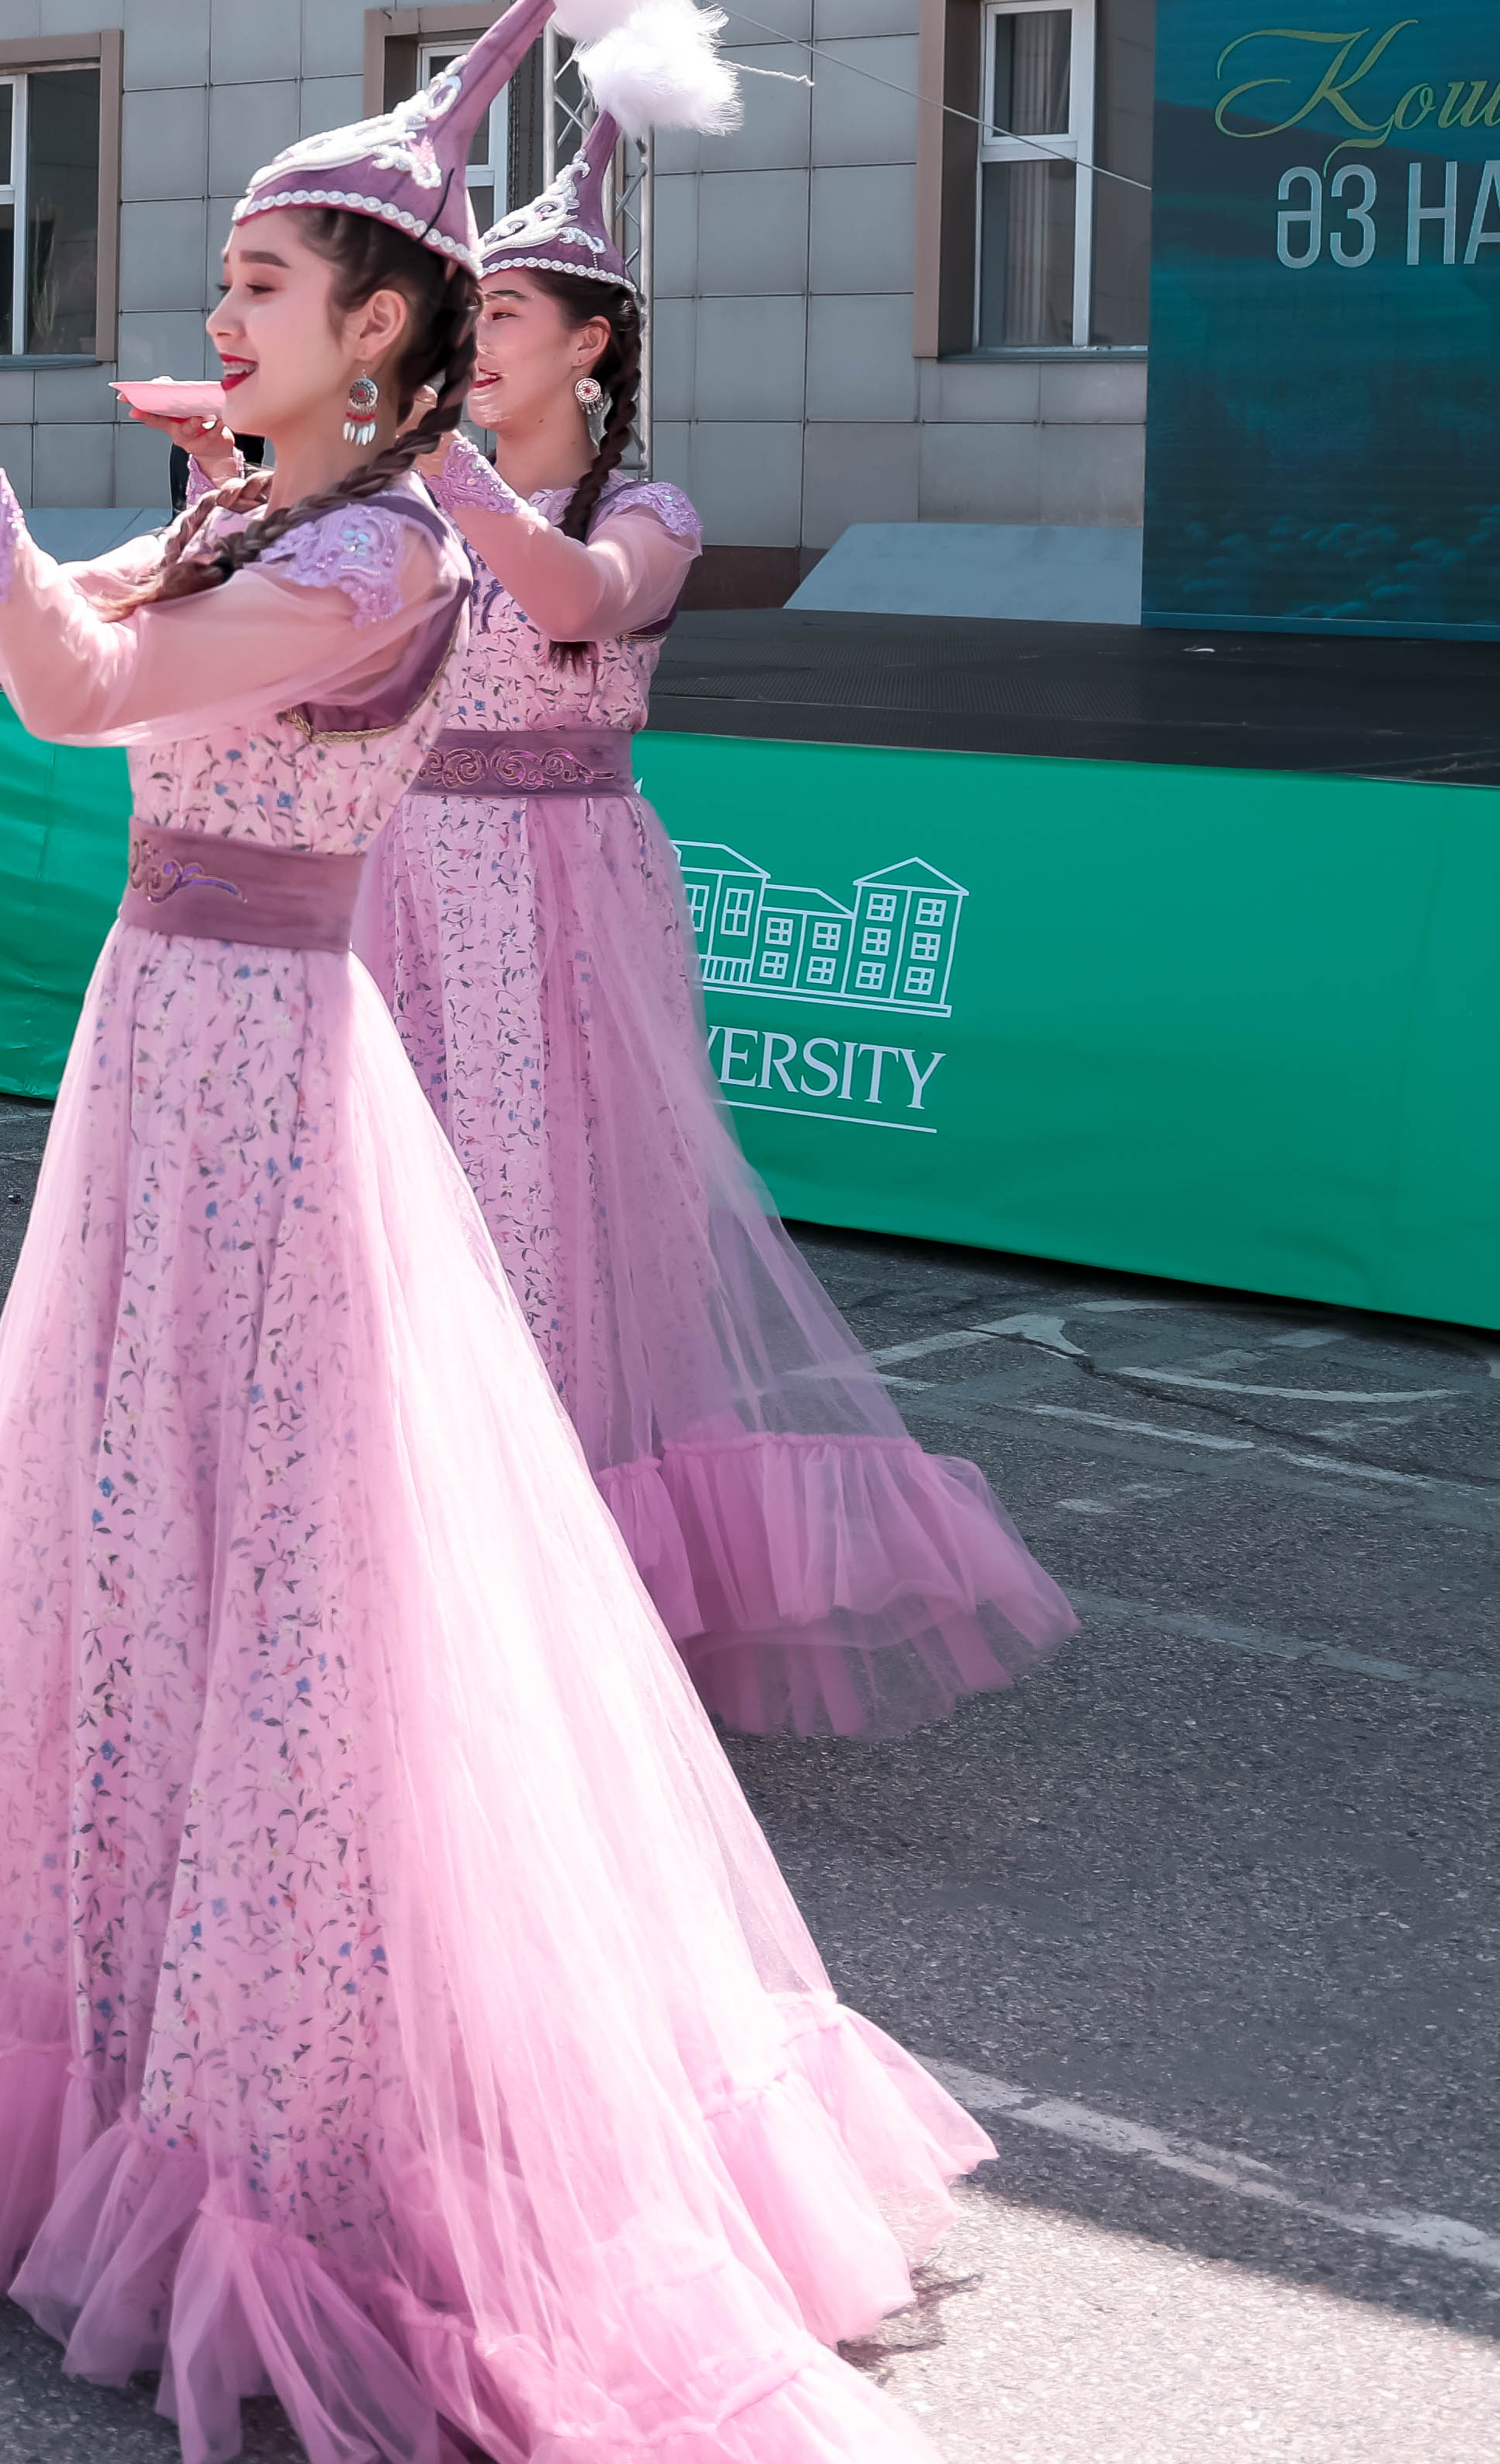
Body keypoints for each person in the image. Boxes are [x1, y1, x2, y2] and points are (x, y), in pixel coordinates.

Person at [0, 0, 993, 2464]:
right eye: (238, 273)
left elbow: (73, 688)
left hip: (268, 1080)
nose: (224, 310)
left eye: (266, 279)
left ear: (386, 325)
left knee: (281, 1564)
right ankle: (124, 2008)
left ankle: (292, 2081)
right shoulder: (271, 522)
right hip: (168, 1062)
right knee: (137, 1528)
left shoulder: (376, 559)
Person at [367, 104, 1080, 1740]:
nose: (474, 346)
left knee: (549, 1216)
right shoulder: (408, 507)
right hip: (397, 877)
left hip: (555, 886)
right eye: (462, 320)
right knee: (400, 1203)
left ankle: (538, 1587)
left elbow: (574, 606)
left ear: (591, 343)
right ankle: (400, 1547)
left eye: (504, 316)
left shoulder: (648, 512)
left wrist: (433, 466)